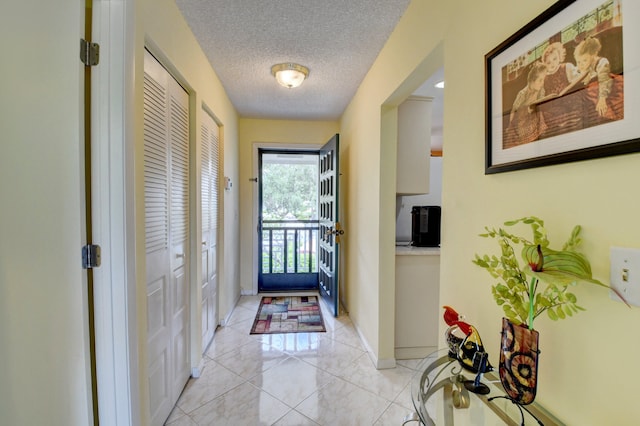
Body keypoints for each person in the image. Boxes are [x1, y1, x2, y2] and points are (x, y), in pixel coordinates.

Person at [573, 36, 624, 125]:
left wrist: (602, 99)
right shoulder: (581, 67)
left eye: (584, 60)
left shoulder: (602, 62)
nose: (581, 65)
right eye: (578, 61)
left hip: (606, 87)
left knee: (594, 92)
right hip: (591, 91)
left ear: (593, 55)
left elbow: (604, 80)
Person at [504, 61, 548, 148]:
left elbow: (542, 99)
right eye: (540, 80)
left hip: (534, 115)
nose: (542, 83)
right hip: (522, 119)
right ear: (532, 80)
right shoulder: (522, 93)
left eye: (543, 80)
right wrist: (510, 125)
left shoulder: (540, 89)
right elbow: (514, 109)